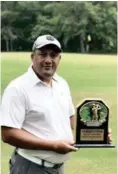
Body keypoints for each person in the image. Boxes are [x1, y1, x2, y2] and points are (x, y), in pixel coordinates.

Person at [0, 34, 112, 174]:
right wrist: (52, 146)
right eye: (42, 54)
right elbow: (8, 134)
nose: (48, 60)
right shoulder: (17, 88)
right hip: (31, 167)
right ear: (32, 56)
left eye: (53, 55)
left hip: (57, 168)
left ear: (59, 58)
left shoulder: (61, 84)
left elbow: (70, 122)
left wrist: (98, 132)